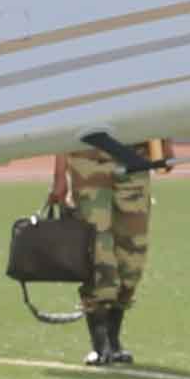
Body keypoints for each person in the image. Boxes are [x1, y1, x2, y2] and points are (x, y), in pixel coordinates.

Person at [47, 129, 162, 363]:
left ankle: (114, 340)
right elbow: (66, 118)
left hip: (134, 158)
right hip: (88, 160)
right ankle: (101, 345)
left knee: (132, 259)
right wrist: (60, 177)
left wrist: (164, 143)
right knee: (97, 253)